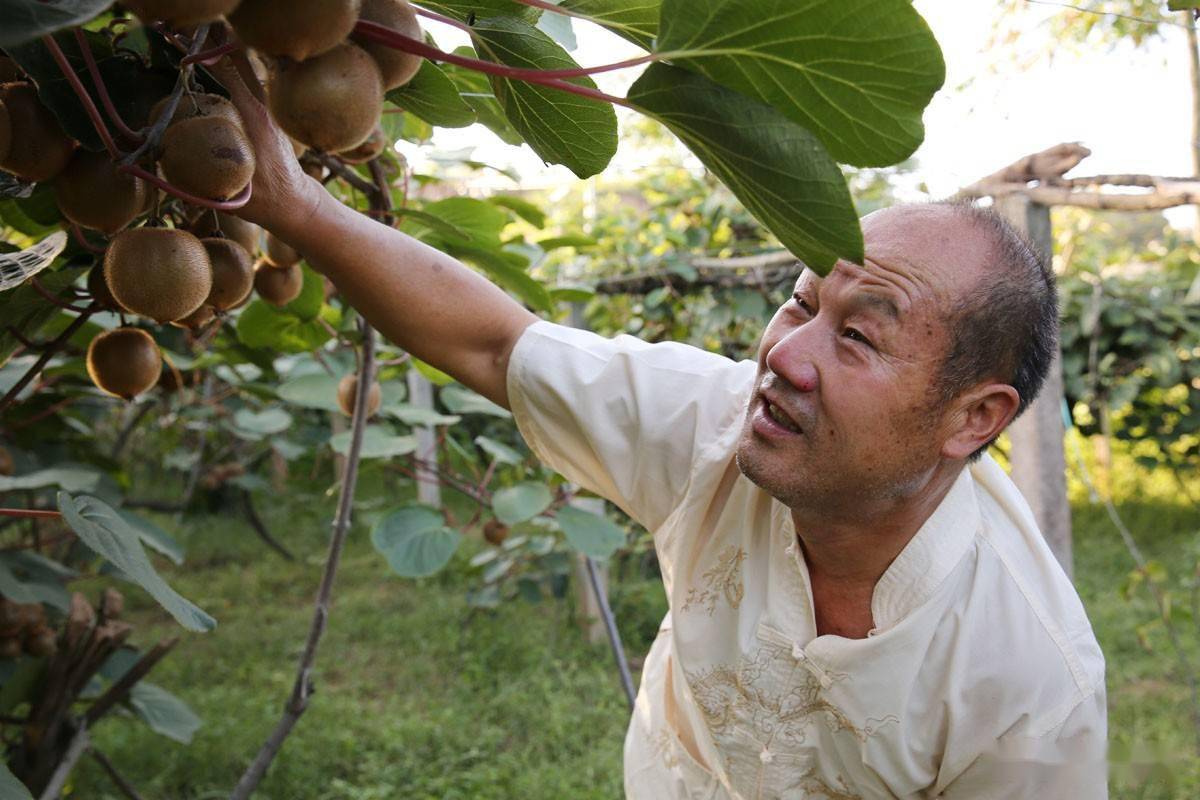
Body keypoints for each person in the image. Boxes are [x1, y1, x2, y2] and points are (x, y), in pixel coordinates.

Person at [218, 66, 1108, 799]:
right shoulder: (711, 428)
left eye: (860, 336)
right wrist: (295, 208)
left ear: (974, 418)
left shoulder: (1028, 680)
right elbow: (494, 343)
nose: (785, 356)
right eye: (799, 303)